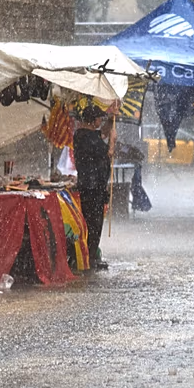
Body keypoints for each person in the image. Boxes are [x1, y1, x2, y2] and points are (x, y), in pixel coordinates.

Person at [72, 105, 113, 271]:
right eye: (99, 119)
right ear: (93, 120)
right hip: (92, 187)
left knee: (95, 223)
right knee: (93, 224)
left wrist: (111, 121)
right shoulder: (85, 137)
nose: (100, 121)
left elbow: (102, 133)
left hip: (96, 186)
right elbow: (106, 151)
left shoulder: (87, 135)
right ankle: (88, 258)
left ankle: (91, 255)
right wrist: (112, 143)